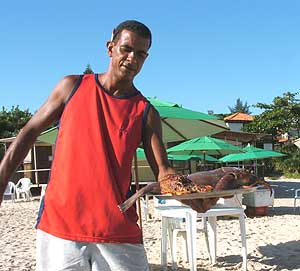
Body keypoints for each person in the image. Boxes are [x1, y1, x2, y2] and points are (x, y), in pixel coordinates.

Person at [0, 20, 217, 271]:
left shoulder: (146, 113)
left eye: (141, 53)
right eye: (126, 49)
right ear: (110, 47)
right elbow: (29, 132)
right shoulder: (72, 86)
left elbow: (163, 170)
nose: (132, 58)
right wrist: (2, 178)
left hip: (117, 228)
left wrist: (191, 197)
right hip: (60, 224)